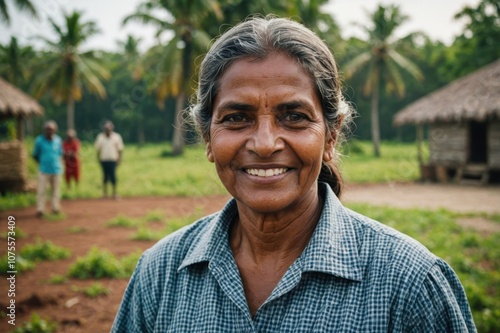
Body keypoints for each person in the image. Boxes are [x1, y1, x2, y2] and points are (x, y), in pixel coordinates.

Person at [112, 17, 476, 332]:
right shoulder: (159, 275)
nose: (266, 143)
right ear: (208, 137)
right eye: (237, 117)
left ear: (331, 135)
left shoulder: (410, 285)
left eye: (294, 116)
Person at [33, 120, 63, 217]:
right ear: (44, 130)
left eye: (51, 129)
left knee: (55, 191)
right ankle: (40, 209)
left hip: (56, 169)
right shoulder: (39, 141)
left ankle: (55, 208)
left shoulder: (58, 140)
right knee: (42, 191)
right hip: (44, 170)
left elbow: (60, 154)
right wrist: (42, 163)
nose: (49, 131)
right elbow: (35, 155)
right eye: (47, 129)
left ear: (55, 130)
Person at [95, 121, 124, 199]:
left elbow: (120, 149)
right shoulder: (100, 137)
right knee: (105, 177)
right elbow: (98, 150)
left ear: (112, 128)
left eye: (109, 128)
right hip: (104, 160)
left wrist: (119, 158)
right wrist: (98, 159)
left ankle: (114, 193)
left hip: (113, 160)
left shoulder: (116, 137)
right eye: (106, 128)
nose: (107, 129)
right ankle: (105, 194)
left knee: (113, 176)